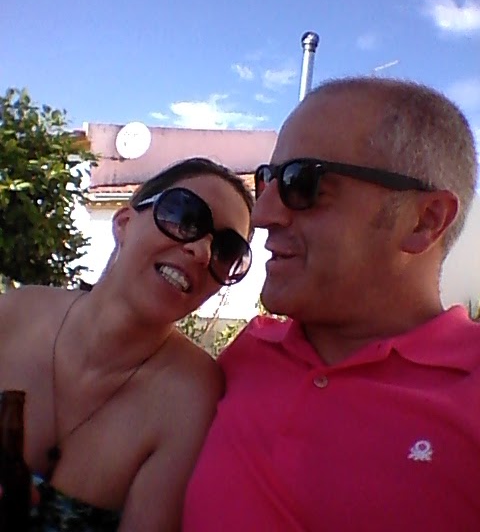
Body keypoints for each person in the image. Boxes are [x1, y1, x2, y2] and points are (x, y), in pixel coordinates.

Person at [182, 77, 480, 531]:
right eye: (267, 180)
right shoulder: (248, 354)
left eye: (302, 182)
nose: (262, 215)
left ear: (425, 220)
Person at [0, 157, 254, 531]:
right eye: (185, 217)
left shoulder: (191, 396)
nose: (202, 252)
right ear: (124, 224)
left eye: (227, 251)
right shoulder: (14, 314)